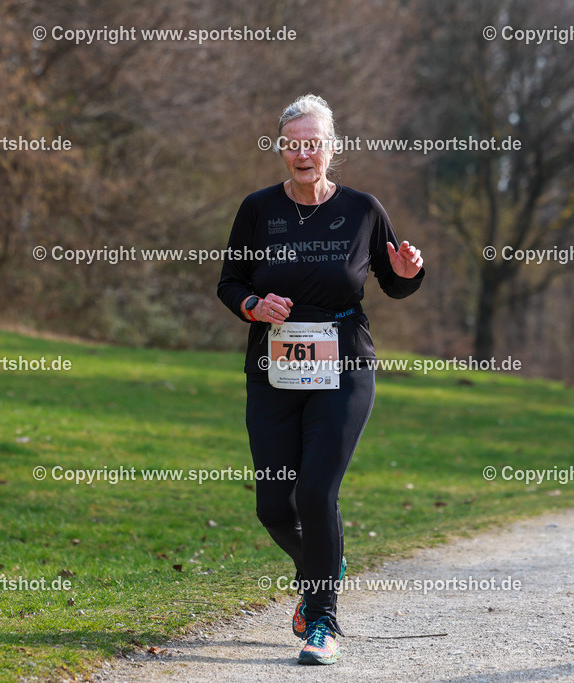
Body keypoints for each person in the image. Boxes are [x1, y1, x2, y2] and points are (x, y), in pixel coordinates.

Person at [216, 94, 425, 665]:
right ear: (282, 148)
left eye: (314, 143)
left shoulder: (362, 209)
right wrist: (254, 304)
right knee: (273, 506)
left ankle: (322, 620)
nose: (304, 153)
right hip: (273, 366)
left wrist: (411, 273)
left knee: (314, 491)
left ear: (332, 148)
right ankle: (322, 565)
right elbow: (229, 283)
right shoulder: (258, 209)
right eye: (293, 144)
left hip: (346, 363)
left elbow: (393, 280)